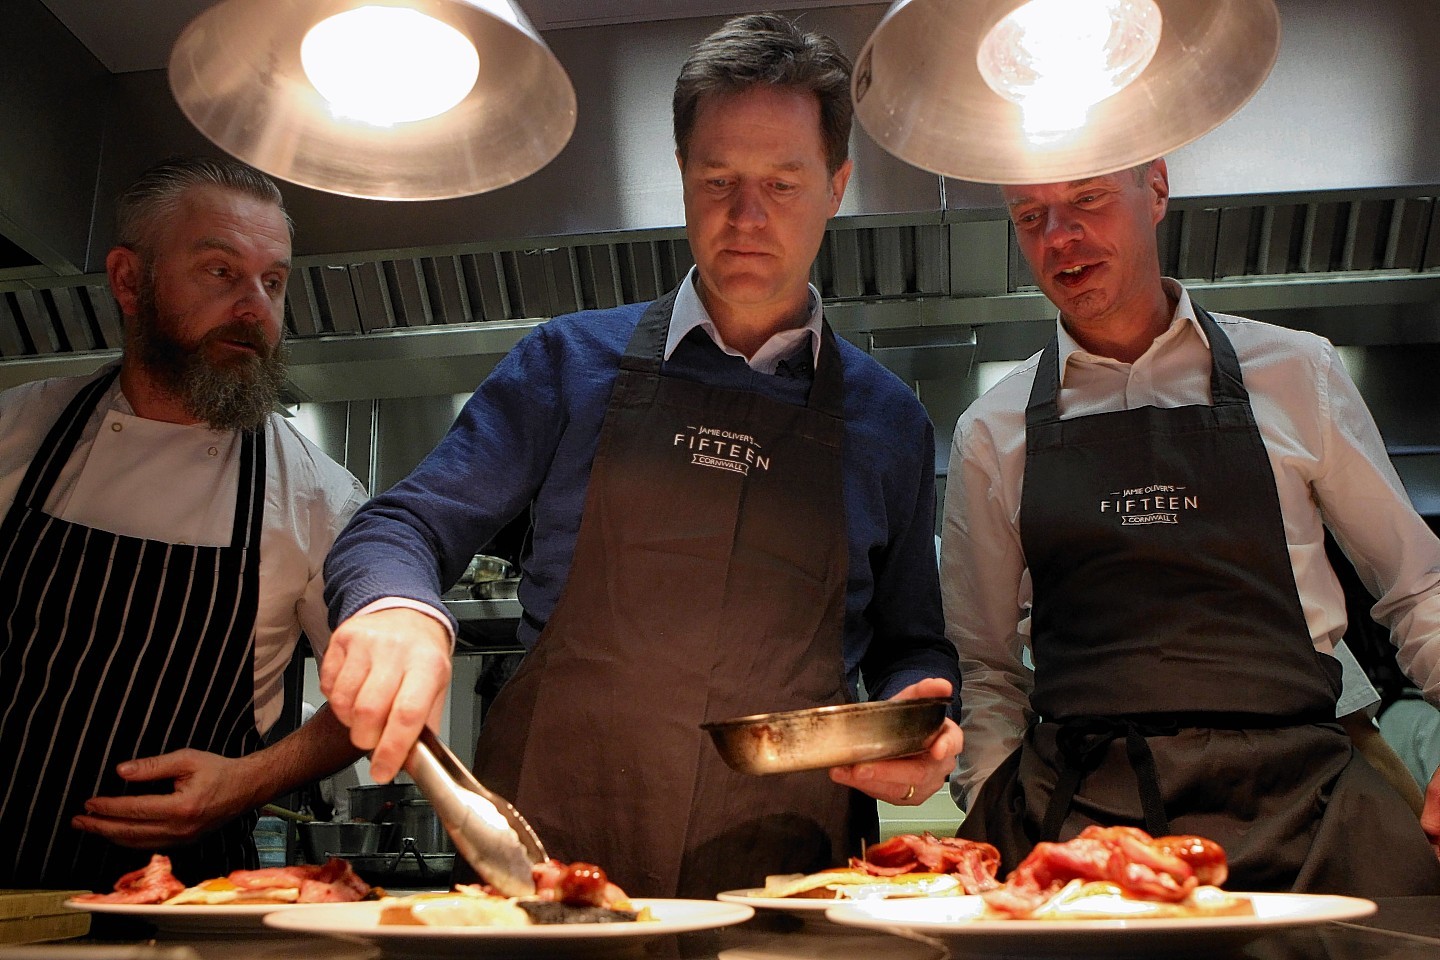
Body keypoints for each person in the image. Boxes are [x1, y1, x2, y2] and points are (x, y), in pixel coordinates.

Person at [322, 12, 963, 899]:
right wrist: (396, 606)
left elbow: (911, 646)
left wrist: (922, 722)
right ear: (681, 178)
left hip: (784, 881)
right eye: (718, 180)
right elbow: (402, 524)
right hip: (549, 868)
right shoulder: (566, 363)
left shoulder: (890, 421)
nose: (746, 217)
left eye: (781, 183)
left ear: (837, 185)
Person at [940, 157, 1440, 895]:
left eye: (1087, 201)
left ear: (1158, 191)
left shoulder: (1300, 373)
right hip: (1081, 821)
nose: (1060, 237)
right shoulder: (993, 429)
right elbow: (984, 666)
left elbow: (1417, 585)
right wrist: (993, 796)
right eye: (1030, 216)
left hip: (1308, 807)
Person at [0, 157, 368, 891]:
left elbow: (376, 699)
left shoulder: (319, 498)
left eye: (273, 281)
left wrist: (251, 781)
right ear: (129, 280)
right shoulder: (14, 432)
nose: (254, 308)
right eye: (220, 272)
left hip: (179, 913)